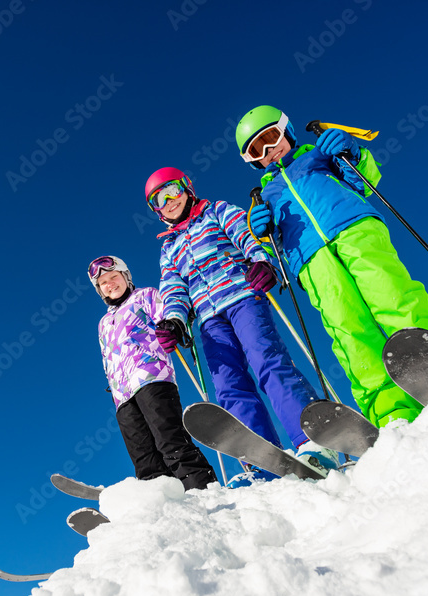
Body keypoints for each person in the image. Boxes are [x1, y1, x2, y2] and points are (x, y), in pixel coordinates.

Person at [235, 105, 428, 427]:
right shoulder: (266, 195)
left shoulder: (318, 156)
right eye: (256, 150)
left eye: (270, 137)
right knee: (348, 329)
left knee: (393, 296)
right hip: (311, 261)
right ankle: (391, 411)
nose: (267, 150)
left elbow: (366, 178)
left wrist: (352, 151)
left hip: (354, 229)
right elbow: (274, 247)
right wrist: (261, 231)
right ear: (253, 161)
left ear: (287, 130)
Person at [145, 167, 340, 474]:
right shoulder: (169, 249)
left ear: (187, 188)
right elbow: (173, 289)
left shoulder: (216, 211)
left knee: (267, 360)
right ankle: (261, 462)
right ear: (156, 210)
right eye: (159, 199)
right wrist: (174, 320)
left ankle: (312, 440)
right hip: (209, 320)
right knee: (229, 386)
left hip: (242, 296)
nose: (169, 201)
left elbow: (246, 235)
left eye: (173, 191)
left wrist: (261, 261)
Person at [89, 255, 217, 491]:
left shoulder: (145, 296)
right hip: (122, 396)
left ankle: (202, 490)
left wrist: (173, 328)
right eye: (103, 282)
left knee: (170, 440)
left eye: (114, 277)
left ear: (125, 276)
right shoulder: (104, 323)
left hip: (152, 378)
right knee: (143, 457)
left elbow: (169, 318)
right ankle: (163, 503)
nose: (110, 284)